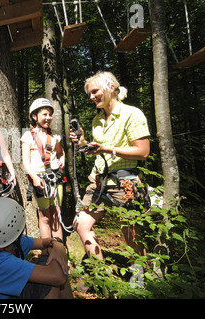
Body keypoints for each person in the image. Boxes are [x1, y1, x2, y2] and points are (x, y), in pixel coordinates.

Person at [69, 71, 151, 260]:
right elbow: (99, 154)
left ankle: (139, 280)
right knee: (81, 225)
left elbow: (143, 151)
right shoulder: (96, 120)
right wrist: (83, 143)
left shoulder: (132, 114)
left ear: (111, 88)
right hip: (98, 182)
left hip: (125, 184)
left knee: (131, 235)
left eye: (95, 91)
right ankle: (101, 276)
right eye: (89, 93)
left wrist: (106, 149)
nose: (91, 97)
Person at [0, 197, 73, 299]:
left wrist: (57, 245)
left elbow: (44, 242)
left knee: (50, 262)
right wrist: (58, 250)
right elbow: (58, 277)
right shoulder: (0, 262)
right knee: (50, 276)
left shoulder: (9, 243)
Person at [21, 98, 66, 240]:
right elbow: (25, 162)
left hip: (55, 177)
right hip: (40, 179)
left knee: (56, 214)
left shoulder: (53, 138)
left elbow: (61, 152)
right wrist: (34, 177)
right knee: (45, 215)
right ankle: (47, 249)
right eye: (44, 114)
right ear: (35, 116)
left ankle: (59, 249)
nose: (48, 118)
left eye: (50, 115)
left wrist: (62, 160)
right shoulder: (27, 136)